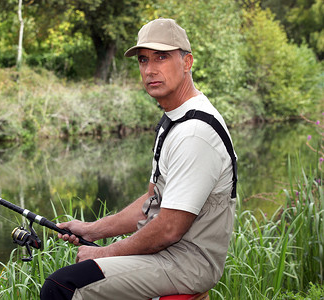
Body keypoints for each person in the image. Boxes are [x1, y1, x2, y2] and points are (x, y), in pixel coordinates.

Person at [40, 18, 237, 300]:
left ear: (187, 62)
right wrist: (92, 230)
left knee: (62, 287)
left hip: (187, 263)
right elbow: (150, 204)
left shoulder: (195, 133)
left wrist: (104, 253)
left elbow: (168, 229)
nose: (150, 69)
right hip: (168, 255)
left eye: (161, 57)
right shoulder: (175, 118)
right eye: (143, 60)